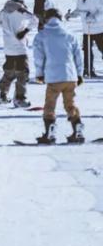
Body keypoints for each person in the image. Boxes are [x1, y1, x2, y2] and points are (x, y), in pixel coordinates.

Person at [33, 8, 84, 144]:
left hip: (54, 76)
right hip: (70, 75)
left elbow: (39, 57)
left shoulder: (42, 35)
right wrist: (79, 74)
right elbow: (78, 56)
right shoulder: (69, 34)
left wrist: (39, 73)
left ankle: (50, 133)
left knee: (50, 105)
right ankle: (77, 129)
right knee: (70, 104)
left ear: (46, 18)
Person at [0, 0, 37, 106]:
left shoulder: (4, 10)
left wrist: (7, 30)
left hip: (8, 48)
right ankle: (20, 98)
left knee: (9, 72)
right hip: (20, 48)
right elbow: (35, 19)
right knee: (23, 73)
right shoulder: (20, 10)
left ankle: (1, 95)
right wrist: (24, 31)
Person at [67, 0, 103, 78]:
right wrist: (71, 15)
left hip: (99, 29)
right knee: (87, 51)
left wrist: (94, 18)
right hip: (87, 29)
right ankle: (88, 70)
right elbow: (79, 9)